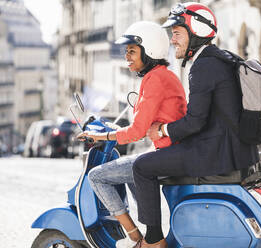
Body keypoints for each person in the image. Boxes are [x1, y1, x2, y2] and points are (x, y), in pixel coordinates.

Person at [132, 2, 259, 247]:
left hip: (214, 154)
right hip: (234, 151)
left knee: (142, 166)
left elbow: (195, 121)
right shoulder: (222, 59)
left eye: (177, 33)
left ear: (196, 32)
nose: (172, 40)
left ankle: (154, 240)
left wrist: (161, 130)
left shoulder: (203, 66)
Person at [77, 21, 187, 247]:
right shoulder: (161, 75)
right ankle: (149, 232)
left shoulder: (156, 79)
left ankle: (138, 237)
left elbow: (137, 131)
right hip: (170, 150)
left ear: (149, 51)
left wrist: (100, 137)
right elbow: (144, 125)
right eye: (126, 51)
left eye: (132, 51)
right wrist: (117, 131)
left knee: (96, 176)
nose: (127, 56)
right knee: (129, 167)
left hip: (168, 154)